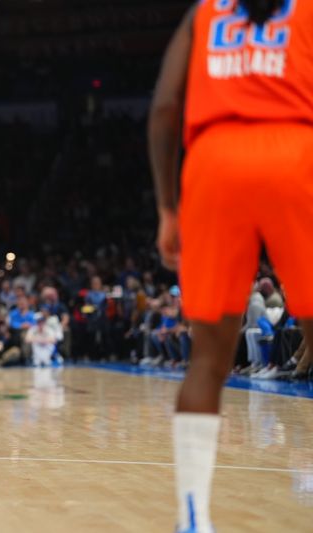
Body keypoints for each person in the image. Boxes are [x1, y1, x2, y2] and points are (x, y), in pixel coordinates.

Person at [148, 1, 313, 531]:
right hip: (297, 153)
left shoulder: (205, 14)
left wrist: (168, 208)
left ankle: (193, 518)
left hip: (214, 166)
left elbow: (165, 110)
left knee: (208, 360)